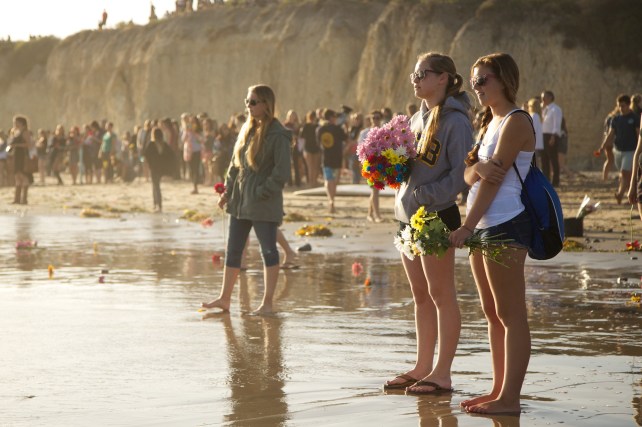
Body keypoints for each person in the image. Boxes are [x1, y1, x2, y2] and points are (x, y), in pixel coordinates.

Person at [449, 52, 536, 415]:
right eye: (473, 82)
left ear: (503, 80)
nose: (477, 87)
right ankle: (497, 389)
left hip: (505, 222)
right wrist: (479, 167)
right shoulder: (488, 122)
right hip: (483, 224)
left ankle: (510, 398)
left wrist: (466, 225)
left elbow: (491, 182)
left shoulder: (516, 121)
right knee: (491, 312)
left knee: (511, 313)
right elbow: (467, 176)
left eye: (483, 80)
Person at [384, 52, 473, 395]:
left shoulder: (456, 121)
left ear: (444, 78)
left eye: (423, 74)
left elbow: (461, 176)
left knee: (441, 295)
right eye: (414, 74)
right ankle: (422, 366)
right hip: (407, 217)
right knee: (420, 296)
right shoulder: (417, 119)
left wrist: (422, 196)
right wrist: (390, 169)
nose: (416, 79)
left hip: (436, 215)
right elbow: (414, 169)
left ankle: (443, 373)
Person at [202, 84, 291, 314]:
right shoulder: (246, 130)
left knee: (268, 251)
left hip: (263, 202)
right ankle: (224, 299)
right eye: (247, 102)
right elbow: (234, 165)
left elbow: (281, 172)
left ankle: (267, 303)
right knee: (233, 251)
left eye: (253, 102)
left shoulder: (278, 134)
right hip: (240, 200)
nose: (248, 106)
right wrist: (227, 192)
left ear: (266, 104)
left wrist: (262, 191)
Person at [602, 94, 641, 204]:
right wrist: (603, 146)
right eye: (619, 106)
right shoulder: (616, 119)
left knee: (625, 172)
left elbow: (639, 135)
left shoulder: (635, 118)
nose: (621, 108)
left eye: (623, 106)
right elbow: (611, 134)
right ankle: (630, 195)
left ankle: (620, 194)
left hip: (631, 150)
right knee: (624, 174)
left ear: (629, 105)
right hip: (618, 150)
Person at [317, 109, 346, 213]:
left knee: (328, 180)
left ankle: (330, 201)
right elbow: (346, 139)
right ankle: (332, 200)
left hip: (326, 157)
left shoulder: (321, 129)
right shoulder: (338, 129)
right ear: (331, 117)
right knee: (334, 181)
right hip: (337, 157)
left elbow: (319, 143)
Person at [358, 110, 384, 222]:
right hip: (369, 163)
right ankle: (377, 215)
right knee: (375, 189)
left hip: (382, 162)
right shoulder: (365, 132)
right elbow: (360, 148)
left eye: (377, 117)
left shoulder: (384, 131)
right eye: (373, 117)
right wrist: (363, 164)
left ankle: (370, 214)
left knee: (375, 189)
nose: (375, 119)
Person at [144, 127, 175, 212]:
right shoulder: (164, 144)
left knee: (155, 186)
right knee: (157, 186)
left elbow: (146, 154)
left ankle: (156, 204)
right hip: (161, 168)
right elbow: (172, 155)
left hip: (154, 168)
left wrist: (149, 164)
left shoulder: (151, 144)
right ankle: (159, 205)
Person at [8, 115, 34, 204]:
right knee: (17, 176)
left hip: (22, 156)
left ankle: (24, 199)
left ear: (22, 123)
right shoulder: (16, 132)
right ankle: (17, 199)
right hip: (16, 155)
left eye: (16, 122)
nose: (15, 124)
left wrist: (16, 145)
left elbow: (29, 145)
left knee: (24, 176)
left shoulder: (25, 132)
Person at [540, 90, 562, 186]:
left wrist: (553, 137)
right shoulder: (544, 109)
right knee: (544, 159)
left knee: (553, 159)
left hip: (551, 136)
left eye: (544, 97)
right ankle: (546, 180)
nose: (542, 99)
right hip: (543, 136)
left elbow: (556, 124)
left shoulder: (555, 109)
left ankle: (555, 181)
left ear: (550, 97)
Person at [300, 110, 320, 188]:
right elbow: (302, 138)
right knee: (310, 167)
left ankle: (314, 181)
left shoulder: (318, 126)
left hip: (316, 148)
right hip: (308, 148)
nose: (312, 119)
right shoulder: (306, 126)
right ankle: (311, 182)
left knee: (316, 166)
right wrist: (301, 149)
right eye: (311, 117)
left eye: (314, 117)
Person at [527, 98, 544, 168]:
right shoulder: (538, 116)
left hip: (533, 144)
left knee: (534, 164)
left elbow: (531, 129)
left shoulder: (534, 116)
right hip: (536, 144)